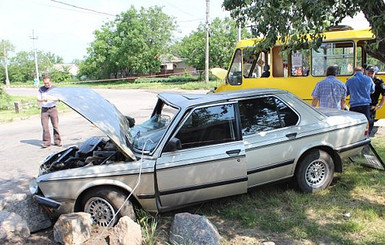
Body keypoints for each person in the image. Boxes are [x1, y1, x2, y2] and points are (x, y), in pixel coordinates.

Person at [346, 66, 375, 132]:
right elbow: (372, 91)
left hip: (354, 105)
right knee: (366, 123)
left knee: (354, 124)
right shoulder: (369, 79)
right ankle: (366, 137)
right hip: (365, 105)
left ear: (354, 71)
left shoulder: (350, 80)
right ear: (362, 71)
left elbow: (346, 93)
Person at [37, 75, 61, 148]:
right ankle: (46, 142)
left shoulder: (54, 89)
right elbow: (38, 99)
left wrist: (55, 99)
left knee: (55, 126)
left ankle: (57, 141)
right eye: (45, 83)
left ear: (50, 82)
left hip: (53, 108)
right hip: (44, 109)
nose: (46, 85)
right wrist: (43, 100)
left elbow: (59, 98)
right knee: (45, 127)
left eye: (47, 83)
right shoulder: (41, 89)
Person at [366, 66, 385, 134]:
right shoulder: (363, 80)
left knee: (370, 124)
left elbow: (384, 95)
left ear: (375, 73)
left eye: (372, 73)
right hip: (362, 105)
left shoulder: (378, 81)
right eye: (368, 73)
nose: (370, 75)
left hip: (372, 106)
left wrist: (379, 106)